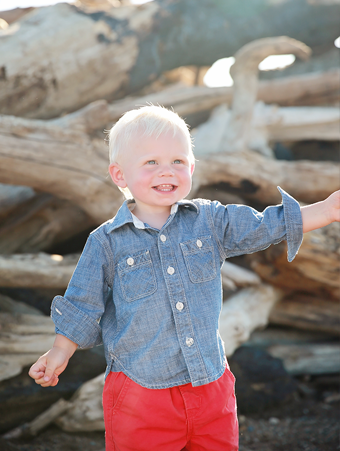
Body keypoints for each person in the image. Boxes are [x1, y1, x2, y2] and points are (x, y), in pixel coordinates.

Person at [28, 105, 340, 450]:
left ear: (191, 167)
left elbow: (263, 225)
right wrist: (59, 351)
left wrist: (325, 210)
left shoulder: (209, 220)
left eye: (178, 161)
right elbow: (83, 302)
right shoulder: (106, 241)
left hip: (210, 383)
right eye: (151, 162)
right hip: (141, 393)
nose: (167, 171)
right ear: (120, 175)